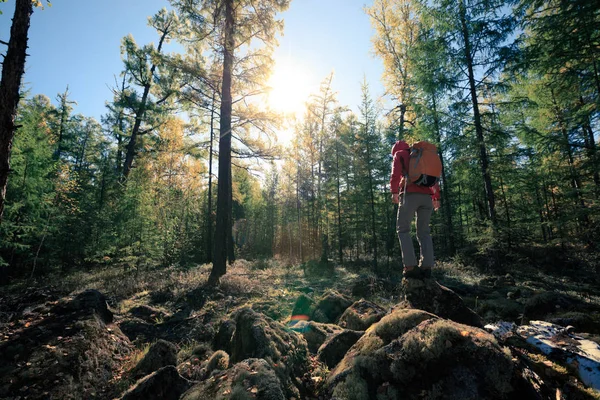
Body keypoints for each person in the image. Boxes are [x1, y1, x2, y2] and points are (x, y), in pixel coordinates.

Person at [390, 140, 440, 279]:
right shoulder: (420, 155)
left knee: (403, 229)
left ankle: (410, 266)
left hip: (409, 196)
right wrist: (436, 197)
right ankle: (427, 266)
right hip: (427, 199)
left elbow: (395, 174)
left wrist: (394, 191)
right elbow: (434, 180)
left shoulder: (399, 154)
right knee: (424, 232)